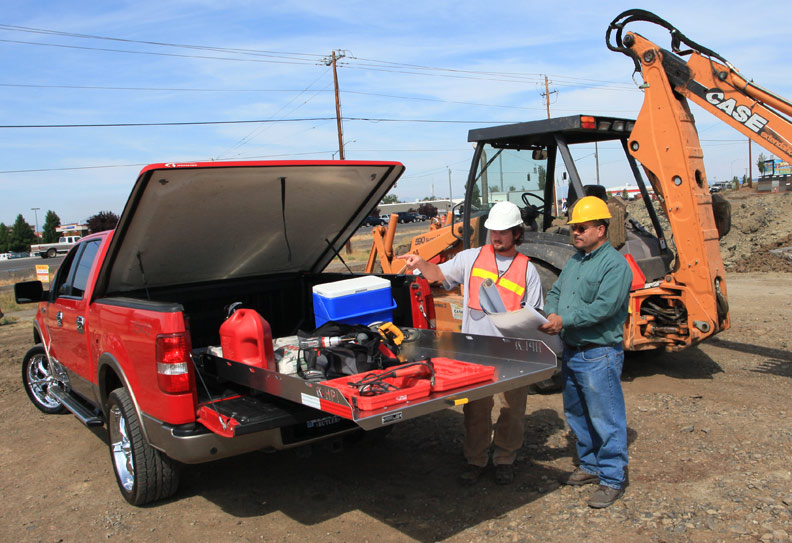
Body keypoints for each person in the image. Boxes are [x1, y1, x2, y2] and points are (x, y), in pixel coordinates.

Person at [399, 201, 543, 486]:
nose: (496, 237)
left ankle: (504, 459)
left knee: (513, 412)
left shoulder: (528, 270)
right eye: (493, 231)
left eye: (503, 232)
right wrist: (422, 263)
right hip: (475, 351)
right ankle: (475, 460)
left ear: (516, 233)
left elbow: (534, 318)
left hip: (513, 353)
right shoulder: (471, 258)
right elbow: (439, 275)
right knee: (475, 411)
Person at [538, 195, 633, 509]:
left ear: (601, 230)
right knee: (577, 414)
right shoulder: (575, 261)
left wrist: (565, 320)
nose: (575, 232)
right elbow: (554, 293)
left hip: (599, 353)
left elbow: (604, 309)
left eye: (582, 227)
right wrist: (550, 314)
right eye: (574, 227)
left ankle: (612, 478)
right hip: (573, 351)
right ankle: (591, 466)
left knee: (605, 418)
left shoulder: (615, 266)